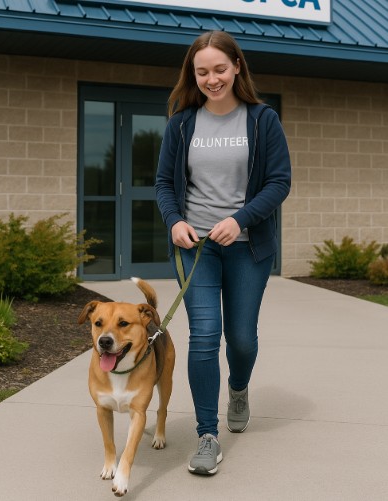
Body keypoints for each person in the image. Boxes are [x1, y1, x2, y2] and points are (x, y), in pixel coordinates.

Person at [155, 30, 291, 476]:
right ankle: (206, 435)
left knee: (242, 339)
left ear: (236, 67)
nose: (211, 79)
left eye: (219, 69)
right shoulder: (181, 122)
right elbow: (163, 184)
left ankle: (238, 386)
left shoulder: (261, 119)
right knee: (204, 337)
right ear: (192, 75)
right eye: (202, 71)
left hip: (248, 247)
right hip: (197, 248)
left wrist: (241, 219)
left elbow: (278, 182)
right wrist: (175, 220)